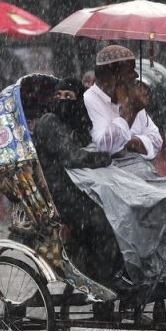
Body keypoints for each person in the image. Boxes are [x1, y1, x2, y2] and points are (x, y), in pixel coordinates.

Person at [32, 78, 125, 286]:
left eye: (69, 96)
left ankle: (100, 275)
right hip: (59, 193)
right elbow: (71, 157)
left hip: (75, 189)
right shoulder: (49, 122)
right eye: (59, 96)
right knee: (102, 223)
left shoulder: (76, 124)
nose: (63, 101)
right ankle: (104, 281)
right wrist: (102, 158)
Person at [83, 45, 163, 161]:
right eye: (130, 70)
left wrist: (128, 143)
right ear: (111, 77)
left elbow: (156, 141)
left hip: (141, 172)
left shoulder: (129, 98)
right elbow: (104, 148)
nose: (136, 75)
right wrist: (131, 111)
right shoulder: (88, 100)